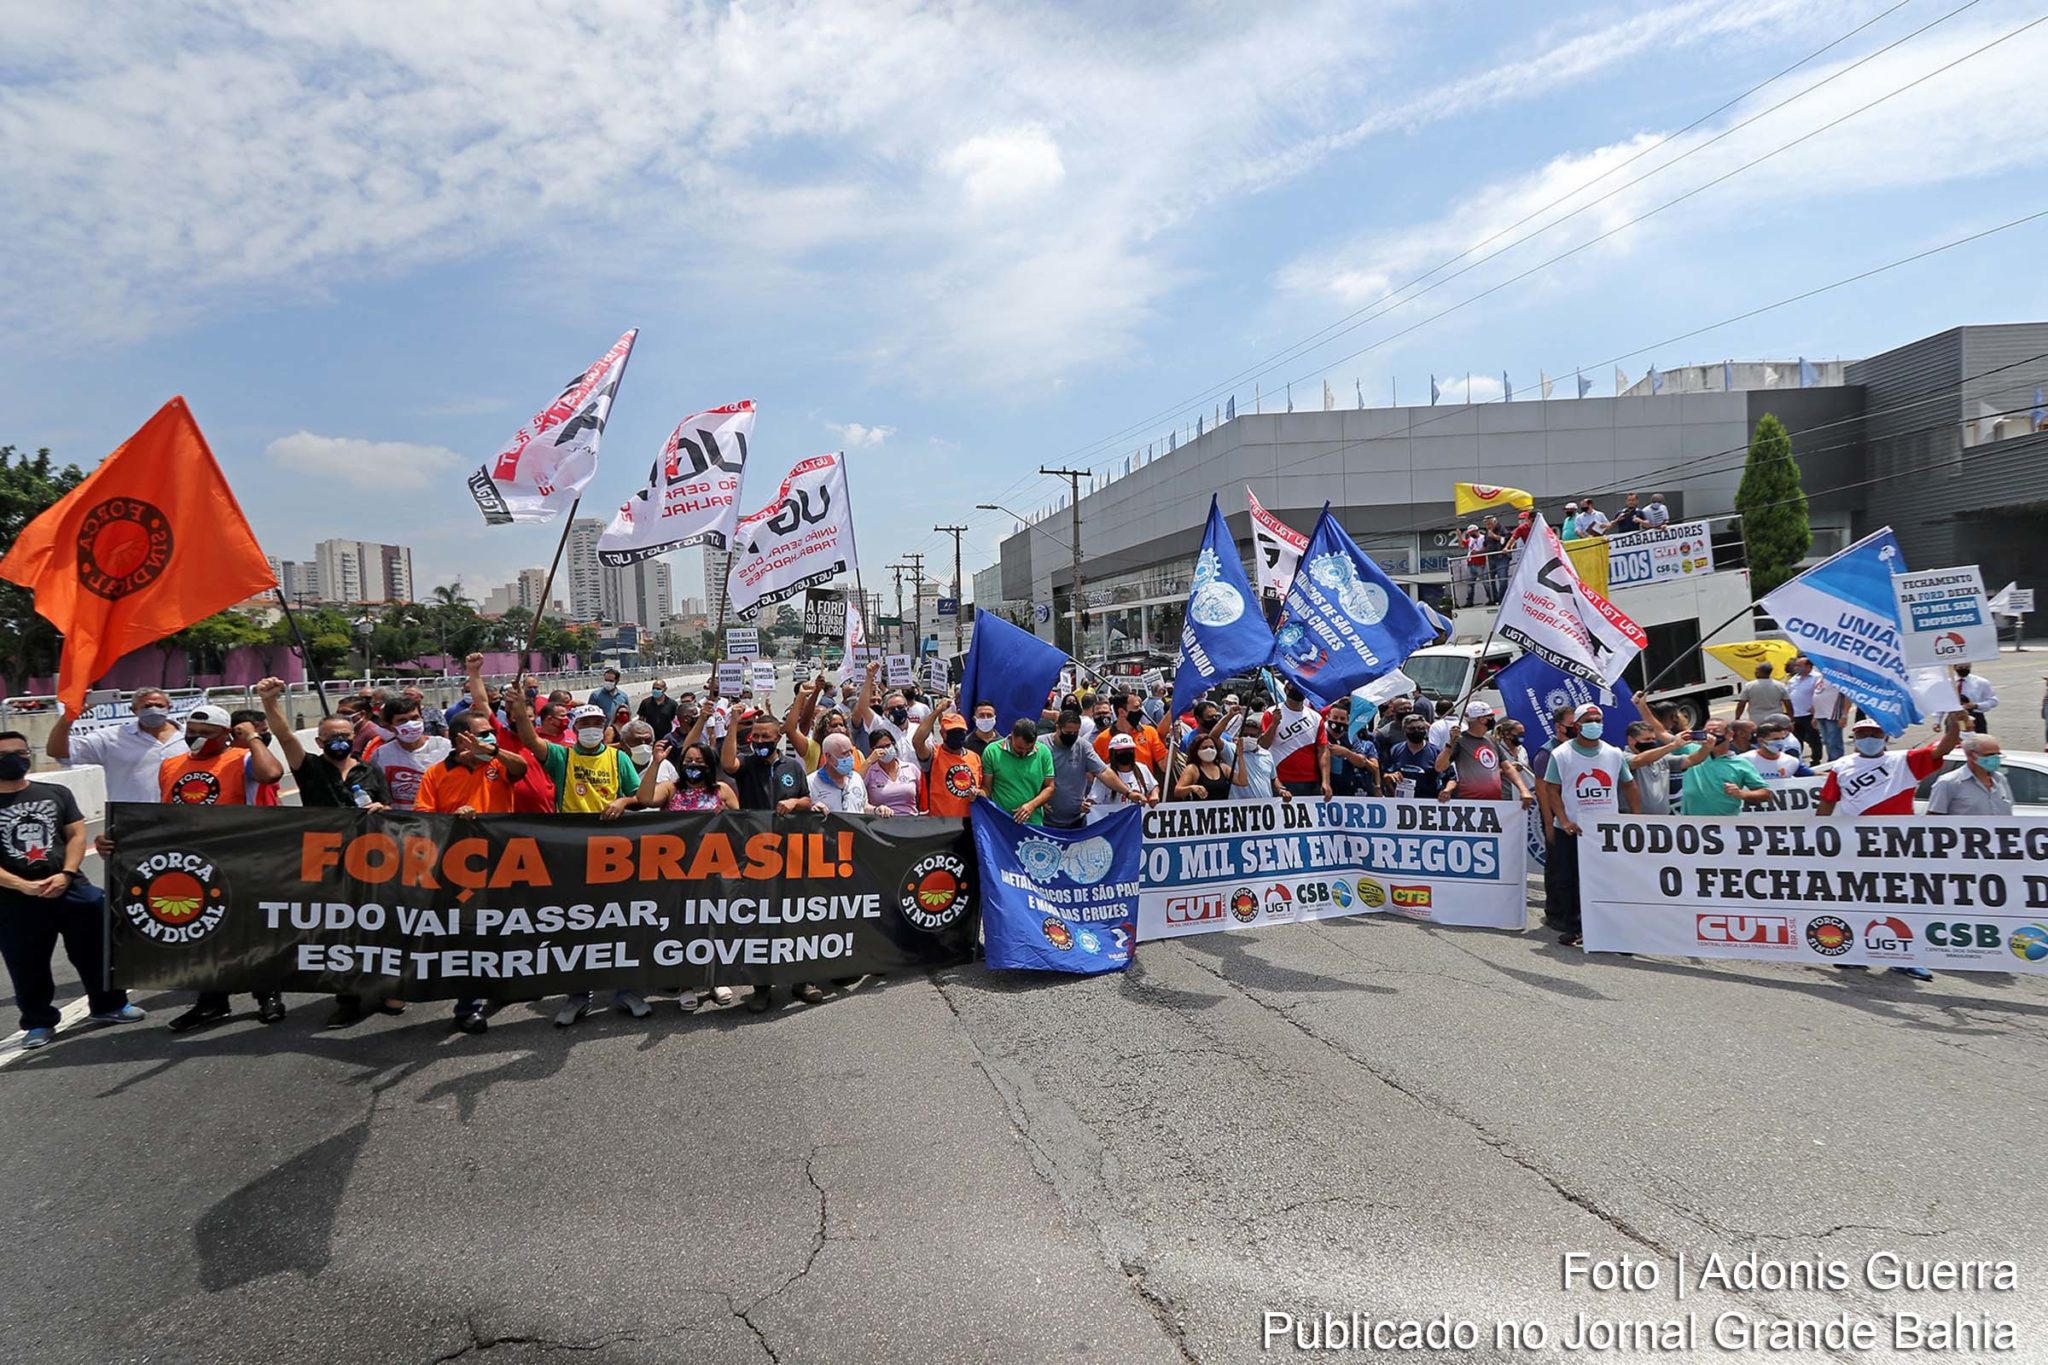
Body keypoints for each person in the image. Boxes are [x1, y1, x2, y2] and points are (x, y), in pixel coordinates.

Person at [257, 680, 403, 1029]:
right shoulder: (309, 768)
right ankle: (347, 998)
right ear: (320, 742)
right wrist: (269, 702)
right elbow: (285, 736)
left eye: (345, 735)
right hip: (327, 862)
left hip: (371, 859)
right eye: (331, 737)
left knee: (381, 926)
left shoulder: (370, 770)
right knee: (340, 931)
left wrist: (382, 808)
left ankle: (388, 986)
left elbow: (391, 807)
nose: (340, 741)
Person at [0, 729, 143, 1048]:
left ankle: (110, 1005)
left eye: (19, 753)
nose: (13, 759)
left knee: (97, 948)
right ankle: (38, 1023)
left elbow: (77, 835)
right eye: (4, 755)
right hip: (14, 897)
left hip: (70, 886)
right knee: (27, 962)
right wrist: (24, 885)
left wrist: (66, 873)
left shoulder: (55, 792)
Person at [509, 694, 643, 1026]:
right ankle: (578, 995)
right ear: (575, 727)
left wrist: (624, 802)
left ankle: (626, 991)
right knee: (577, 926)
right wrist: (517, 711)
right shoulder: (561, 757)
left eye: (598, 724)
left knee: (619, 923)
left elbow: (639, 796)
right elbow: (529, 740)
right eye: (585, 724)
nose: (592, 729)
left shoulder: (618, 759)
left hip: (614, 855)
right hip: (572, 855)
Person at [157, 704, 286, 1032]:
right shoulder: (170, 765)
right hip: (193, 863)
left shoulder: (240, 760)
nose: (196, 738)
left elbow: (271, 773)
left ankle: (267, 993)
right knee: (204, 935)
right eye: (192, 731)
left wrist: (252, 739)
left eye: (205, 733)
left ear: (226, 734)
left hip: (240, 860)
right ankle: (211, 1002)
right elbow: (164, 814)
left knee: (250, 931)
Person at [1817, 712, 1962, 981]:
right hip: (1856, 844)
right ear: (1855, 738)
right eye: (1862, 735)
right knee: (1857, 899)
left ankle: (1904, 958)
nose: (1868, 739)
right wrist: (1815, 835)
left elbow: (1944, 747)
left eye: (1874, 734)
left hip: (1898, 844)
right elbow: (1827, 801)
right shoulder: (1841, 766)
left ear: (1886, 737)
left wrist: (1953, 722)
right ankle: (1854, 953)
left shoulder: (1904, 760)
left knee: (1901, 901)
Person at [416, 711, 530, 1033]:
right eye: (483, 733)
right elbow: (424, 819)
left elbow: (520, 769)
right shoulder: (435, 775)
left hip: (504, 860)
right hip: (463, 868)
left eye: (491, 733)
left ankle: (506, 983)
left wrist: (492, 751)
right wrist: (455, 816)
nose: (490, 737)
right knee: (471, 935)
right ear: (461, 739)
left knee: (506, 926)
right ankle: (469, 1006)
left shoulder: (496, 764)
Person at [1537, 704, 1637, 949]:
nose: (1596, 723)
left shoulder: (1613, 753)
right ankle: (1575, 928)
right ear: (1578, 725)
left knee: (1609, 883)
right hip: (1571, 831)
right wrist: (1564, 819)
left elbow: (1629, 785)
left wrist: (1636, 818)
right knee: (1570, 881)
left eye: (1599, 719)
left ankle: (1615, 932)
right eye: (1590, 719)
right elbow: (1552, 790)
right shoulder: (1560, 754)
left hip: (1605, 832)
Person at [45, 686, 185, 806]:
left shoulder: (190, 736)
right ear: (133, 710)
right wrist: (69, 716)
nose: (153, 710)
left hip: (181, 816)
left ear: (170, 708)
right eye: (147, 706)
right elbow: (58, 751)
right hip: (130, 819)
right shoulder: (111, 738)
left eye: (159, 706)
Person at [1434, 702, 1533, 807]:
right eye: (1491, 716)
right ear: (1482, 720)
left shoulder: (1491, 740)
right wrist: (1450, 745)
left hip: (1495, 802)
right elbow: (1439, 767)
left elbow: (1508, 767)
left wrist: (1523, 790)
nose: (1493, 719)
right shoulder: (1460, 741)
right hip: (1470, 803)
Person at [369, 693, 452, 811]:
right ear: (390, 726)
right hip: (401, 822)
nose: (411, 724)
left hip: (437, 820)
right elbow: (376, 790)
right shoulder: (381, 755)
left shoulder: (445, 748)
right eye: (402, 720)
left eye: (414, 718)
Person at [1673, 721, 1773, 817]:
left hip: (1726, 825)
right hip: (1692, 825)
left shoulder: (1741, 764)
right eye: (1707, 732)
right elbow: (1663, 733)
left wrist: (1742, 794)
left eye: (1716, 731)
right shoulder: (1690, 751)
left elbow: (1765, 793)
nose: (1711, 735)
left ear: (1729, 735)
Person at [1042, 708, 1114, 828]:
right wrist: (1037, 800)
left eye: (1075, 733)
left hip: (1076, 821)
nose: (1072, 736)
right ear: (1058, 727)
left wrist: (1127, 792)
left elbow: (1103, 771)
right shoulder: (1042, 745)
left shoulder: (1083, 746)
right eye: (1068, 732)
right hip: (1044, 822)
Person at [981, 719, 1055, 825]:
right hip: (1000, 822)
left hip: (1032, 823)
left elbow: (1050, 787)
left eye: (1029, 749)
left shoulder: (1043, 752)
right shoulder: (992, 751)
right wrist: (978, 794)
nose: (1024, 753)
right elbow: (987, 788)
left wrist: (1031, 805)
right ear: (1012, 736)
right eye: (1019, 748)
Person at [1265, 683, 1331, 798]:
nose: (1299, 690)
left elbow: (1323, 750)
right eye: (1295, 687)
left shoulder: (1315, 717)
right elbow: (1264, 745)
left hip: (1311, 782)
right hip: (1282, 781)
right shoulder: (1271, 713)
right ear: (1286, 690)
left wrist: (1325, 781)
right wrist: (1274, 724)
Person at [1927, 735, 2012, 815]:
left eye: (1998, 754)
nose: (1995, 758)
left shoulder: (2000, 779)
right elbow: (1934, 819)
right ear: (1971, 755)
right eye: (1990, 755)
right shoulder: (1948, 783)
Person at [1088, 733, 1158, 821]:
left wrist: (1154, 795)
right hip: (1115, 824)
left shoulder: (1142, 768)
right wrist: (1087, 805)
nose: (1126, 753)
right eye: (1121, 751)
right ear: (1113, 753)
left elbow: (1154, 786)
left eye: (1129, 750)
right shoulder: (1105, 774)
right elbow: (1094, 800)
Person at [863, 726, 922, 815]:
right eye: (880, 747)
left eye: (888, 745)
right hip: (883, 822)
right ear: (873, 750)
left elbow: (922, 796)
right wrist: (875, 810)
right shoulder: (869, 772)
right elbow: (856, 792)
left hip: (911, 821)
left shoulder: (911, 768)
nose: (886, 750)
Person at [808, 733, 872, 814]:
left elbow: (863, 806)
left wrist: (876, 810)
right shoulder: (811, 783)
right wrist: (812, 808)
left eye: (851, 752)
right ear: (828, 756)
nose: (850, 757)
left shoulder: (856, 778)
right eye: (844, 753)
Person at [1381, 716, 1443, 799]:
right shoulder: (1395, 750)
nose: (1416, 731)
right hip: (1401, 801)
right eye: (1412, 729)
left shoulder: (1436, 752)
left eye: (1420, 728)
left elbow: (1450, 777)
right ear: (1404, 731)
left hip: (1429, 802)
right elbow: (1385, 773)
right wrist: (1389, 776)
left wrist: (1446, 791)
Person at [1748, 720, 1814, 783]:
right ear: (1761, 741)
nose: (1780, 742)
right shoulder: (1746, 760)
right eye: (1775, 739)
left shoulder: (1791, 761)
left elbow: (1813, 775)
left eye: (1782, 738)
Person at [1174, 733, 1233, 801]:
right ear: (1196, 750)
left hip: (1222, 809)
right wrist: (1191, 788)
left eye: (1211, 747)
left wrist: (1240, 756)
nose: (1209, 750)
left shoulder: (1223, 767)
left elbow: (1242, 781)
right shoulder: (1192, 769)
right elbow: (1177, 792)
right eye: (1204, 747)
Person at [1784, 656, 1821, 764]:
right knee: (1797, 739)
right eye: (1796, 665)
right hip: (1795, 714)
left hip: (1808, 714)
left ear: (1808, 666)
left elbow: (1819, 693)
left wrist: (1815, 708)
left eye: (1799, 665)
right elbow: (1788, 693)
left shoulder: (1816, 677)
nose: (1796, 668)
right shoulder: (1794, 679)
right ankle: (1798, 760)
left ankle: (1816, 759)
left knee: (1813, 738)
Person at [1812, 670, 1848, 762]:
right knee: (1827, 741)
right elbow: (1817, 695)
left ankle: (1837, 762)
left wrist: (1844, 715)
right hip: (1820, 715)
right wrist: (1814, 716)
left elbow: (1847, 696)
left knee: (1834, 742)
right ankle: (1831, 762)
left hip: (1832, 715)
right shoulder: (1820, 678)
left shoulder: (1839, 677)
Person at [1952, 662, 1998, 734]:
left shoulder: (1981, 682)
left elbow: (1993, 701)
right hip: (1954, 718)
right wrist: (1937, 721)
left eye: (1967, 667)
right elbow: (1942, 702)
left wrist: (1976, 705)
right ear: (1954, 667)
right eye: (1960, 668)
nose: (1964, 669)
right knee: (1954, 742)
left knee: (1978, 742)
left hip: (1975, 717)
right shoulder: (1949, 683)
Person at [1482, 515, 1509, 604]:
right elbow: (1485, 544)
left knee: (1503, 580)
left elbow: (1506, 539)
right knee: (1487, 578)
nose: (1488, 526)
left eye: (1489, 524)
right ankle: (1494, 598)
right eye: (1486, 525)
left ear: (1494, 522)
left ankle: (1502, 599)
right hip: (1490, 558)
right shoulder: (1487, 532)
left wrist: (1494, 536)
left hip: (1501, 558)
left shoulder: (1502, 529)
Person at [1460, 523, 1489, 607]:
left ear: (1476, 531)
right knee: (1470, 583)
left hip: (1480, 563)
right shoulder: (1470, 540)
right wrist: (1459, 535)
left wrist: (1478, 552)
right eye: (1469, 533)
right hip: (1470, 563)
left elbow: (1486, 548)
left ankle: (1491, 598)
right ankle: (1469, 601)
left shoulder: (1483, 538)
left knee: (1485, 582)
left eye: (1472, 532)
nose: (1471, 534)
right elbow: (1462, 545)